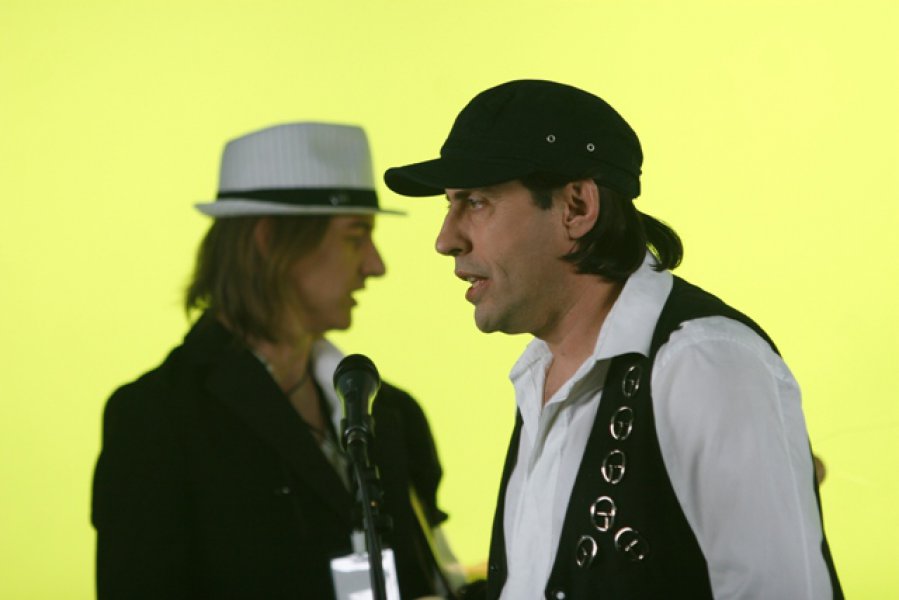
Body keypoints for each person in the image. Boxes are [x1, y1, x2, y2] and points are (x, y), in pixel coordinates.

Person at [383, 80, 842, 599]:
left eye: (476, 201)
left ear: (577, 207)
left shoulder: (702, 363)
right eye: (450, 205)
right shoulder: (541, 371)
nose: (446, 239)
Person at [92, 122, 461, 599]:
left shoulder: (390, 413)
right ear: (270, 241)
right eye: (356, 237)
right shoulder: (157, 420)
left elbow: (432, 575)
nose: (376, 265)